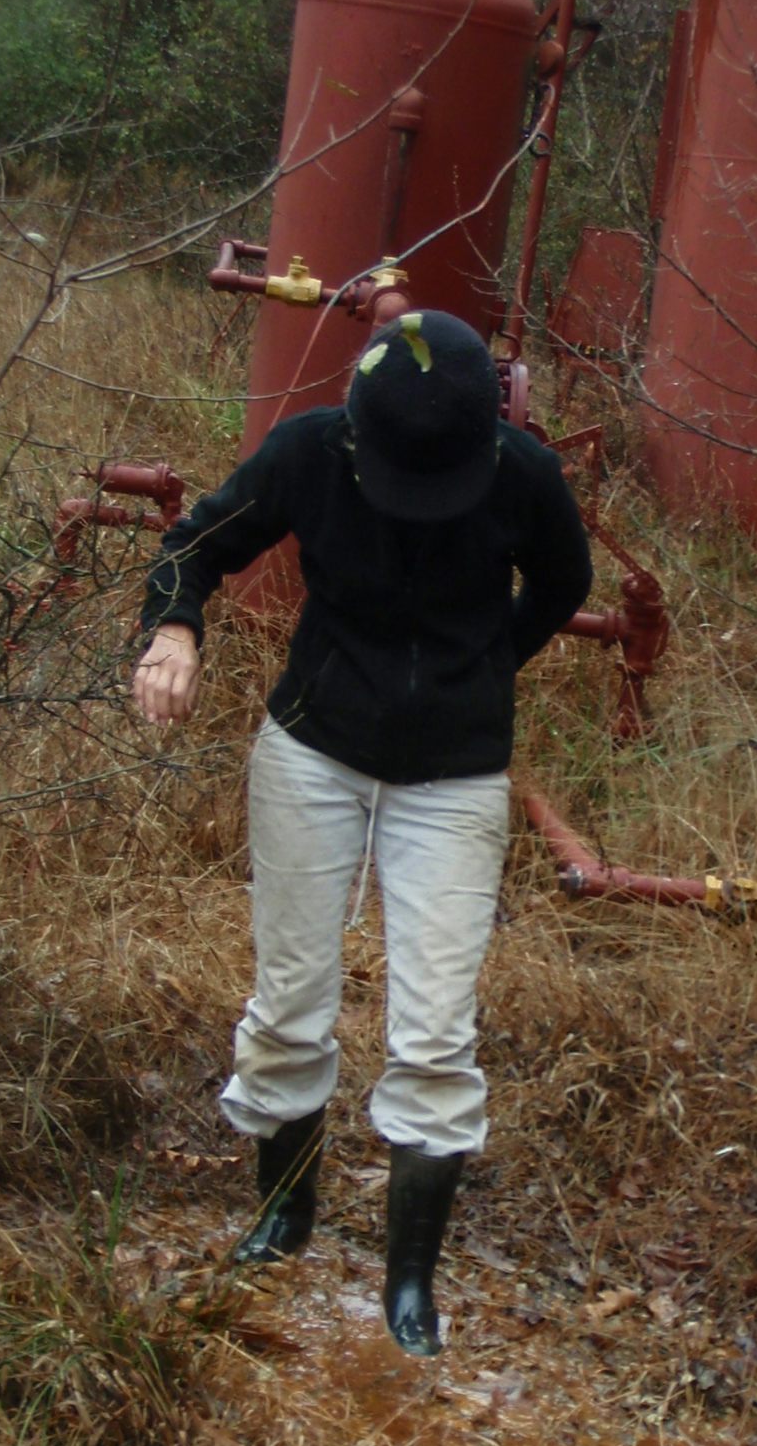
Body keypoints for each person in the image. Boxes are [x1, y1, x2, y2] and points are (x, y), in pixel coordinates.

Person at [132, 308, 593, 1356]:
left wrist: (481, 669)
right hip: (313, 753)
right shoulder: (310, 451)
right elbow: (196, 541)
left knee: (435, 1033)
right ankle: (284, 1218)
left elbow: (565, 584)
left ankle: (409, 1286)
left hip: (455, 775)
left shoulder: (523, 474)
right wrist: (173, 629)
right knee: (292, 1000)